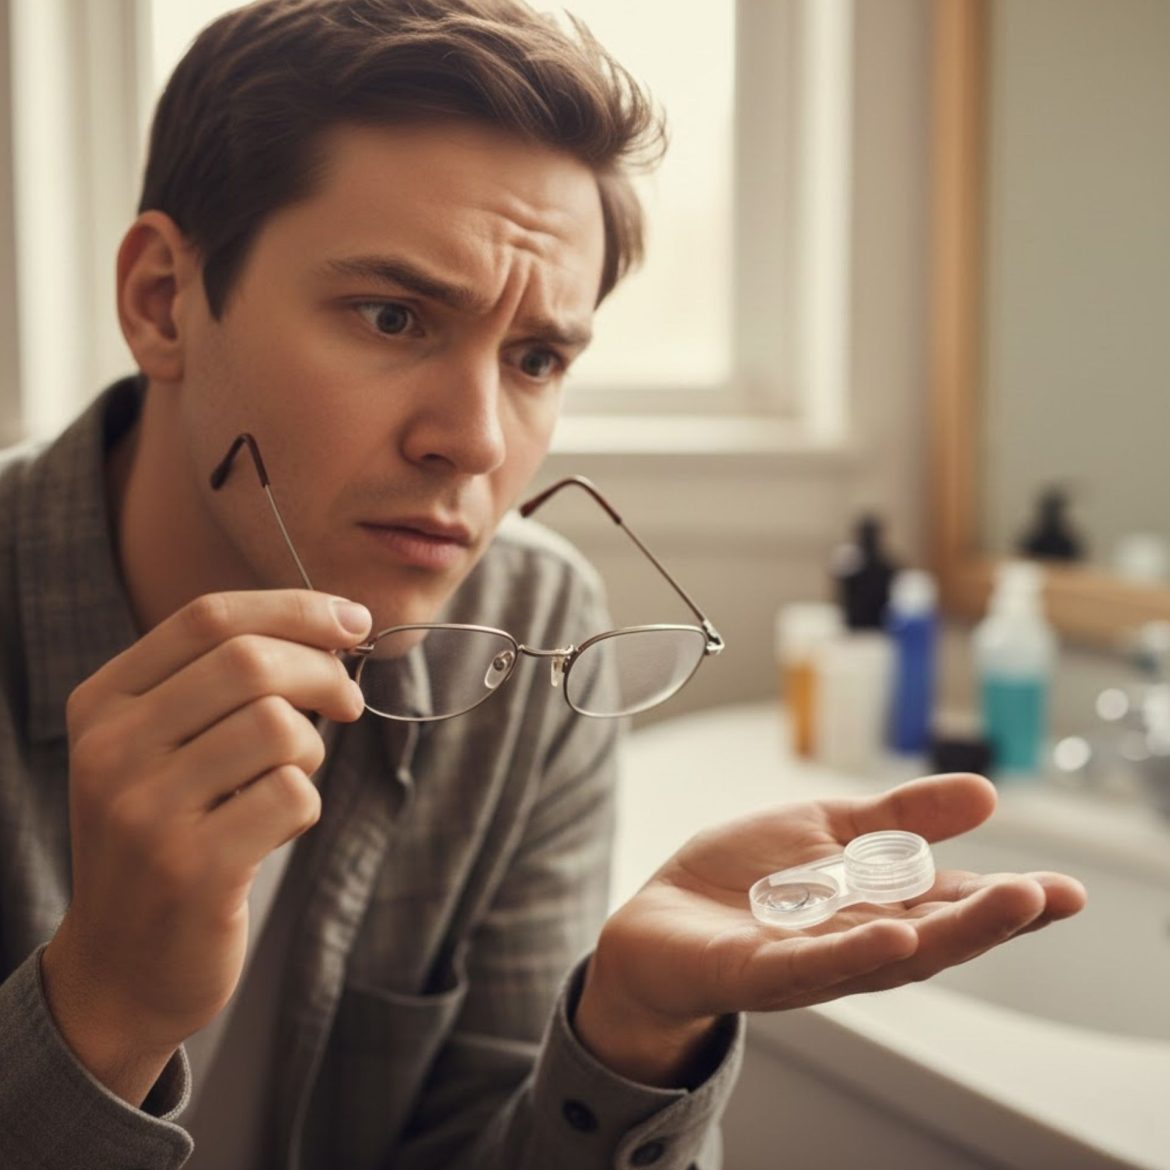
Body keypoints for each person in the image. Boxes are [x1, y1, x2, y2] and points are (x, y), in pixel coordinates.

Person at [0, 1, 1086, 1167]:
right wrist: (99, 1011)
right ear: (163, 298)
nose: (473, 442)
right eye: (393, 314)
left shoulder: (535, 626)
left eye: (536, 360)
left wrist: (630, 1032)